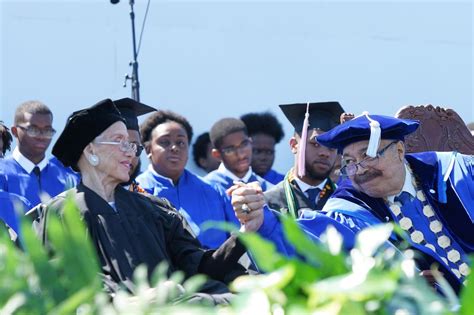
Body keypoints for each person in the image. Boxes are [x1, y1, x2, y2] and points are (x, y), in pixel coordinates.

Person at [29, 99, 257, 303]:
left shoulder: (154, 209)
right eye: (120, 141)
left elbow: (195, 264)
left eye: (132, 145)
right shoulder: (63, 212)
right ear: (90, 151)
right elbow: (69, 282)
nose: (131, 153)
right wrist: (135, 301)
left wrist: (245, 231)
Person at [317, 113, 473, 293]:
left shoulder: (454, 172)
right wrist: (397, 284)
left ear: (399, 151)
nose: (360, 170)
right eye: (350, 162)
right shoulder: (346, 212)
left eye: (368, 155)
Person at [136, 110, 239, 249]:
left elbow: (238, 241)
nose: (174, 148)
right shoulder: (136, 192)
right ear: (148, 149)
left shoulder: (214, 191)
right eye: (165, 142)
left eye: (181, 142)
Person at [264, 102, 344, 217]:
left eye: (332, 147)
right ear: (294, 145)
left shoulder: (342, 202)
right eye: (315, 144)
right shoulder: (269, 202)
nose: (325, 153)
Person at [0, 100, 78, 209]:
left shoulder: (68, 178)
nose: (41, 136)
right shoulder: (2, 173)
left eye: (47, 130)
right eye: (33, 129)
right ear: (15, 131)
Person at [205, 118, 272, 195]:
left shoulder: (268, 189)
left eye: (244, 144)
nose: (241, 155)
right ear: (217, 155)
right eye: (229, 150)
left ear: (251, 143)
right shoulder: (206, 188)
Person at [113, 97, 156, 190]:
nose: (130, 154)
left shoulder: (148, 201)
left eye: (135, 147)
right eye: (122, 145)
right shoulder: (78, 201)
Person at [240, 112, 285, 185]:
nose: (263, 158)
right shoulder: (232, 181)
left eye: (269, 152)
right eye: (257, 151)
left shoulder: (284, 184)